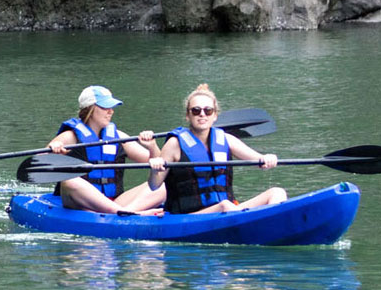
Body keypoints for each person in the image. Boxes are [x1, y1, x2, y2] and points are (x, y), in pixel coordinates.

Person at [143, 83, 287, 214]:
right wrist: (155, 169)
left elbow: (259, 160)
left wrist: (268, 158)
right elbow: (154, 185)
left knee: (277, 192)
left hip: (228, 210)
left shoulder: (226, 139)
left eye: (208, 111)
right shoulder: (175, 144)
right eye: (196, 111)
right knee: (224, 205)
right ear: (187, 116)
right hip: (190, 216)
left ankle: (272, 223)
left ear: (215, 115)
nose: (202, 114)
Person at [49, 84, 164, 215]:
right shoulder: (69, 136)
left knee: (165, 184)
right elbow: (38, 164)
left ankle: (127, 211)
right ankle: (130, 212)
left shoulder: (119, 137)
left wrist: (152, 146)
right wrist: (54, 153)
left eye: (111, 107)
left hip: (115, 202)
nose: (111, 111)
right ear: (90, 109)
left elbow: (160, 167)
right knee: (69, 180)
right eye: (105, 107)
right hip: (80, 203)